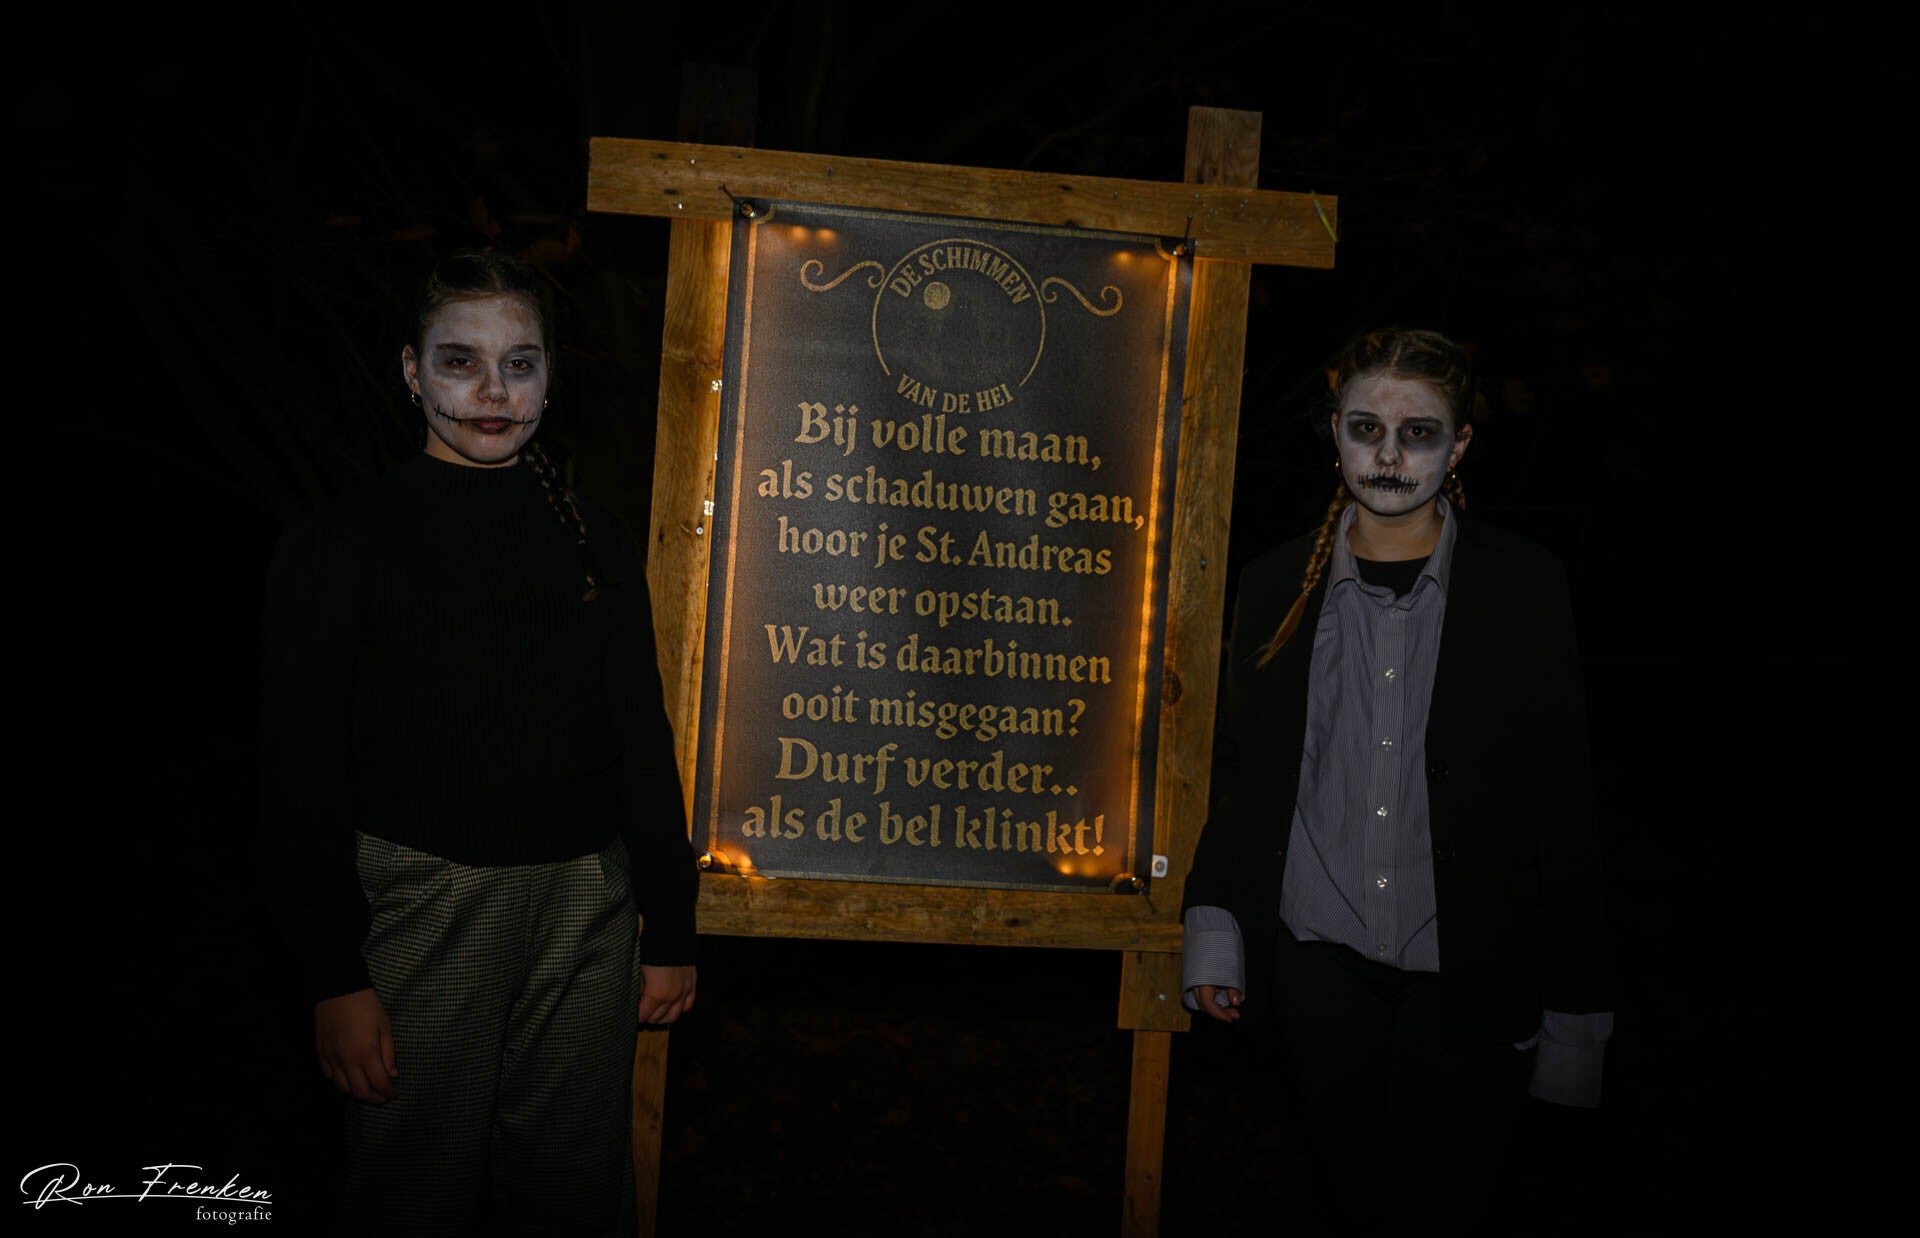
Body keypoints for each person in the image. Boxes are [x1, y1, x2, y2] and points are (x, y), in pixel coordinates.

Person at [259, 250, 699, 1236]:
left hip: (587, 908)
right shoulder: (342, 545)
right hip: (426, 904)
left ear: (549, 377)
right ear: (412, 372)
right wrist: (333, 972)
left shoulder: (591, 536)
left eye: (520, 364)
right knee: (412, 1183)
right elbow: (299, 773)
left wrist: (670, 925)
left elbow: (640, 731)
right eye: (461, 362)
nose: (493, 392)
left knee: (575, 1190)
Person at [1182, 327, 1612, 1230]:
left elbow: (1562, 803)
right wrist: (1217, 932)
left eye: (1418, 433)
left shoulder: (1523, 586)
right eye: (1365, 428)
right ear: (1334, 435)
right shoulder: (1274, 584)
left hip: (1472, 978)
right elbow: (1247, 774)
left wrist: (1574, 1019)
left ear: (1458, 446)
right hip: (1317, 971)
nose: (1388, 454)